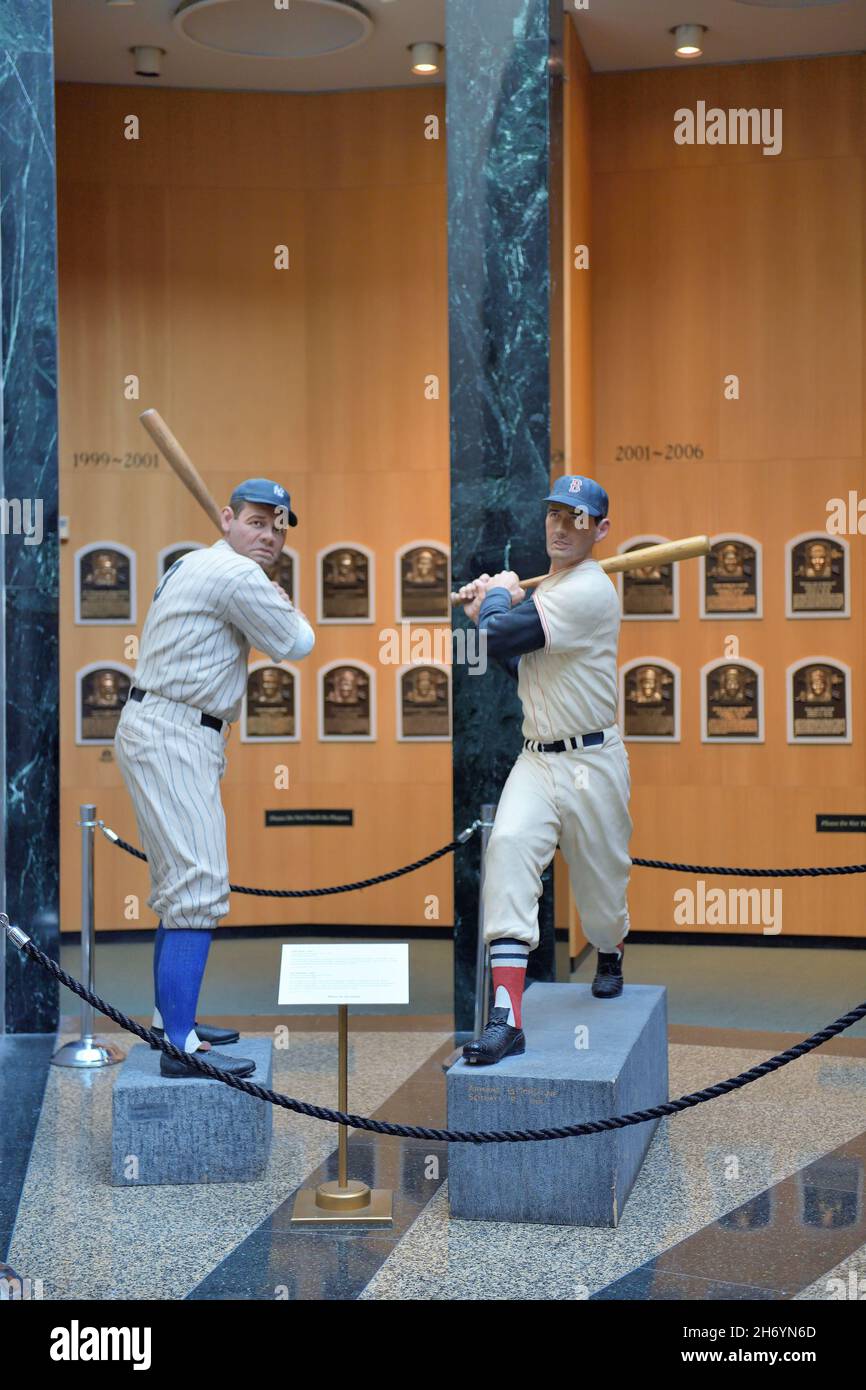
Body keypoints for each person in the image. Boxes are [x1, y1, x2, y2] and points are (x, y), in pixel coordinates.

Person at [114, 479, 315, 1078]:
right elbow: (298, 642)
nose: (270, 536)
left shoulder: (194, 562)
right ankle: (180, 1044)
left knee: (183, 884)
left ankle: (172, 1023)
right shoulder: (234, 574)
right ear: (227, 518)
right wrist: (284, 603)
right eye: (257, 522)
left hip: (169, 726)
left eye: (279, 527)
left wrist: (267, 591)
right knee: (199, 884)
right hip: (174, 731)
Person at [454, 474, 632, 1065]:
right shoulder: (554, 588)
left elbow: (505, 635)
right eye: (554, 514)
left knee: (601, 896)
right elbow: (518, 663)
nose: (561, 526)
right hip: (538, 756)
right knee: (506, 847)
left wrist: (498, 598)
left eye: (576, 518)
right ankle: (507, 1017)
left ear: (599, 530)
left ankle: (610, 950)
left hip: (592, 761)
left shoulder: (590, 591)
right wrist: (490, 613)